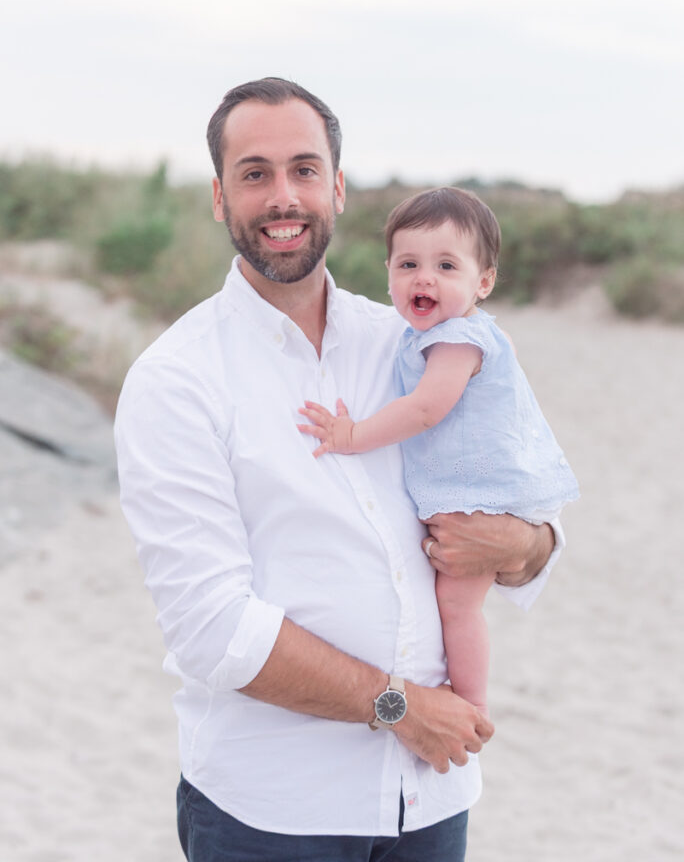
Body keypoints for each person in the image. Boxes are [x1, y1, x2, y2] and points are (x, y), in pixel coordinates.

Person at [114, 78, 564, 862]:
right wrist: (398, 707)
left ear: (339, 187)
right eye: (254, 174)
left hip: (430, 797)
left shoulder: (416, 341)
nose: (283, 196)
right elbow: (212, 628)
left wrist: (524, 547)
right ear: (221, 198)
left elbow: (522, 476)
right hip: (274, 810)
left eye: (304, 169)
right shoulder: (175, 379)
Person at [298, 186, 579, 714]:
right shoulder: (427, 335)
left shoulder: (457, 340)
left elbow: (427, 409)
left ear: (484, 281)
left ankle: (470, 702)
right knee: (454, 601)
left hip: (479, 495)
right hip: (472, 489)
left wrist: (350, 435)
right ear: (387, 272)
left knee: (456, 603)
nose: (424, 278)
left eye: (447, 266)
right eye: (409, 263)